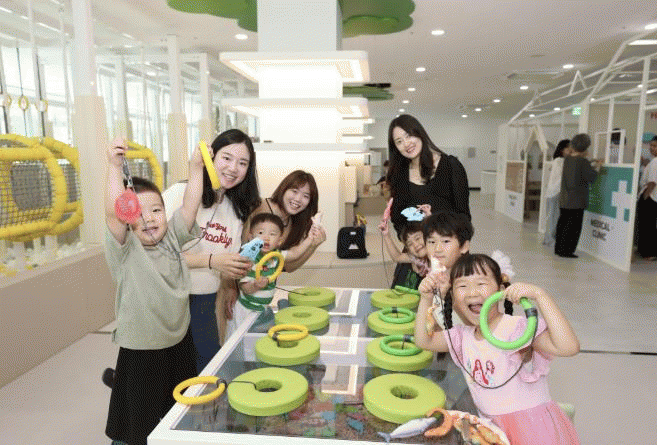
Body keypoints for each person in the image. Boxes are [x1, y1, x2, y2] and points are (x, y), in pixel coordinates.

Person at [415, 253, 581, 445]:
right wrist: (426, 299)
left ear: (501, 291)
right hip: (490, 428)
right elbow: (423, 341)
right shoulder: (462, 336)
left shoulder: (516, 329)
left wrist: (540, 295)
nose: (472, 292)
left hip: (531, 429)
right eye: (462, 286)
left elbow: (569, 347)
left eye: (481, 283)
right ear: (453, 295)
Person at [104, 139, 204, 445]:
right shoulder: (126, 248)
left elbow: (190, 205)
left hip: (178, 340)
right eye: (139, 212)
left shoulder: (172, 237)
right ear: (127, 216)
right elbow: (113, 213)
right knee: (138, 422)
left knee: (179, 411)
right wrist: (114, 167)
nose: (149, 218)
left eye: (157, 210)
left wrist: (196, 168)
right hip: (142, 347)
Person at [162, 129, 260, 373]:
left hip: (205, 300)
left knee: (207, 367)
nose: (233, 168)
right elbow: (157, 257)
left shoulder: (236, 210)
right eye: (226, 158)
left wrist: (232, 280)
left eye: (242, 163)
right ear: (211, 157)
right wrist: (212, 261)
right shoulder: (179, 194)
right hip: (170, 298)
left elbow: (227, 259)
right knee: (171, 371)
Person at [228, 213, 317, 337]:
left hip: (263, 308)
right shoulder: (249, 258)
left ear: (280, 240)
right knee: (241, 339)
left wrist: (310, 238)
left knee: (262, 338)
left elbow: (295, 253)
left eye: (272, 234)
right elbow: (245, 288)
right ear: (250, 237)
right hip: (246, 312)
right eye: (260, 233)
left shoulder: (276, 255)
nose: (266, 238)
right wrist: (255, 285)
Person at [386, 114, 471, 240]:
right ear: (396, 148)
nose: (406, 143)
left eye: (408, 136)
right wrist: (411, 242)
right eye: (399, 141)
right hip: (417, 248)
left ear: (419, 133)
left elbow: (464, 216)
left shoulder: (451, 165)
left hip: (447, 244)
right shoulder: (399, 175)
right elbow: (398, 220)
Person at [243, 170, 326, 273]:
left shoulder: (294, 224)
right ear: (284, 189)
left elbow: (288, 267)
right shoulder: (259, 206)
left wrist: (313, 245)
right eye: (294, 191)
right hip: (239, 275)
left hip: (265, 280)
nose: (298, 199)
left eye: (306, 196)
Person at [554, 133, 601, 258]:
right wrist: (598, 167)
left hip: (565, 199)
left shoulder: (568, 159)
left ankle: (559, 249)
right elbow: (591, 177)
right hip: (576, 201)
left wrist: (590, 161)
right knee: (573, 227)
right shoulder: (582, 162)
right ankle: (568, 251)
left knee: (563, 223)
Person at [378, 220, 429, 290]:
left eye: (417, 238)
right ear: (408, 250)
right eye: (410, 244)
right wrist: (386, 235)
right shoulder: (415, 258)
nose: (415, 245)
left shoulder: (438, 255)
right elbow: (397, 257)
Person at [542, 139, 571, 246]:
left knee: (553, 217)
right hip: (556, 192)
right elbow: (563, 177)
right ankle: (550, 240)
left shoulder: (559, 161)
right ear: (562, 150)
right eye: (568, 148)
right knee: (553, 218)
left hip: (554, 192)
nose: (570, 151)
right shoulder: (560, 161)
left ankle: (549, 239)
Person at [637, 136, 657, 259]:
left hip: (650, 197)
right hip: (653, 197)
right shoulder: (653, 161)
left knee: (647, 225)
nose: (652, 148)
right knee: (648, 225)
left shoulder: (655, 162)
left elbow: (652, 181)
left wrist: (646, 195)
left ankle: (648, 252)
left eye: (655, 146)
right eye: (651, 145)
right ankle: (646, 251)